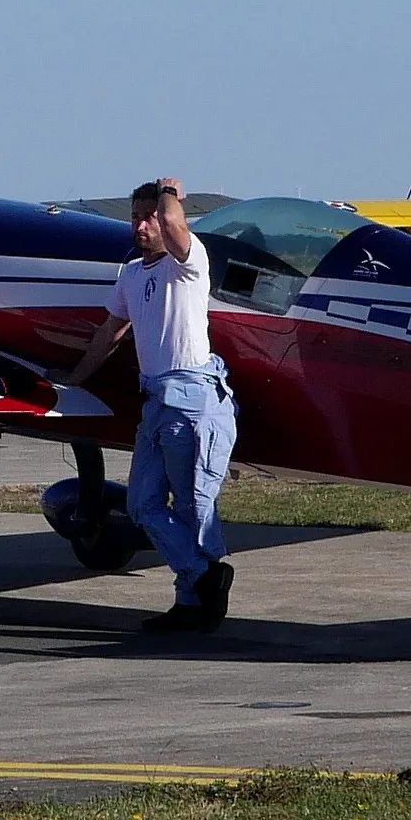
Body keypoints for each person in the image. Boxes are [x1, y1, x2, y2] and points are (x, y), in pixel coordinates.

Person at [77, 178, 235, 635]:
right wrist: (75, 378)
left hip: (193, 399)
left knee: (192, 506)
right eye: (135, 218)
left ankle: (193, 602)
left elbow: (173, 222)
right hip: (156, 402)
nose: (143, 226)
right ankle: (205, 576)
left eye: (150, 217)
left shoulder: (189, 262)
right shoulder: (131, 274)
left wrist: (170, 193)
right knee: (142, 504)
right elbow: (110, 333)